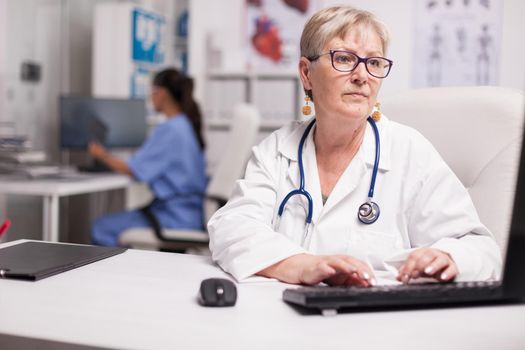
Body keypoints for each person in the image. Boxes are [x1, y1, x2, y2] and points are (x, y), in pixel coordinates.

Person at [207, 6, 502, 286]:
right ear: (306, 73)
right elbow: (230, 228)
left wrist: (448, 256)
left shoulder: (409, 152)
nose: (362, 76)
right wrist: (299, 265)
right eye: (345, 58)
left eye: (374, 62)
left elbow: (481, 249)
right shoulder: (278, 149)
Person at [89, 68, 207, 247]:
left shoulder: (170, 129)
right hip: (188, 214)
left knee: (101, 228)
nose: (151, 98)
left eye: (152, 92)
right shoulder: (184, 124)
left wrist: (101, 154)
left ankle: (119, 275)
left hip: (173, 217)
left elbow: (133, 170)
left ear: (163, 94)